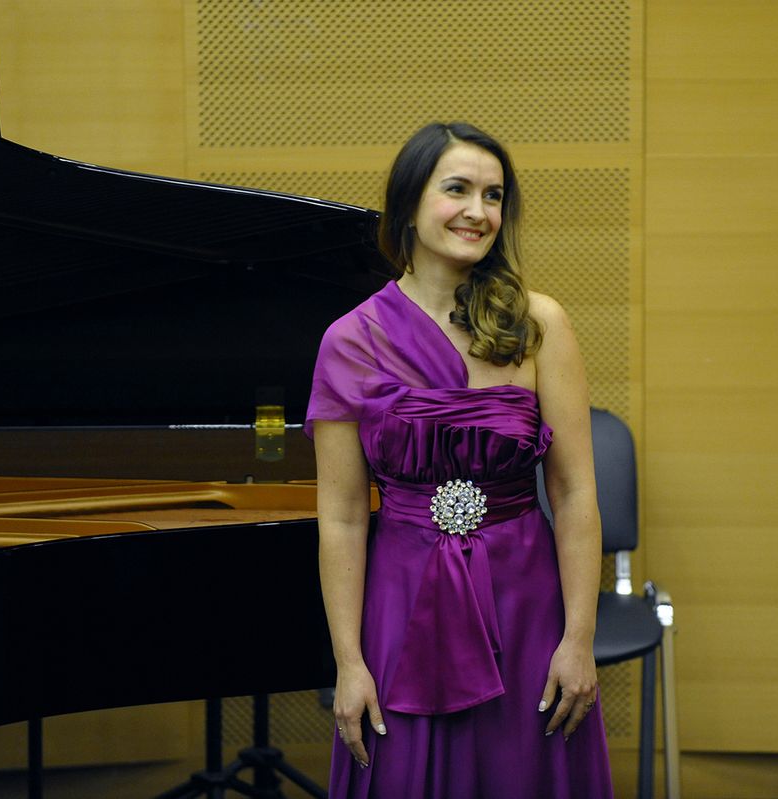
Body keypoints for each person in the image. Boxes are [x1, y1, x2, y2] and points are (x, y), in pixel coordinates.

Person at [307, 121, 613, 798]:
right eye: (457, 189)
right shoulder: (348, 341)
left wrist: (579, 639)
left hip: (525, 599)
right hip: (402, 600)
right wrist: (349, 662)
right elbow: (344, 516)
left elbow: (574, 494)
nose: (479, 211)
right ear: (408, 204)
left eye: (493, 195)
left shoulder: (540, 324)